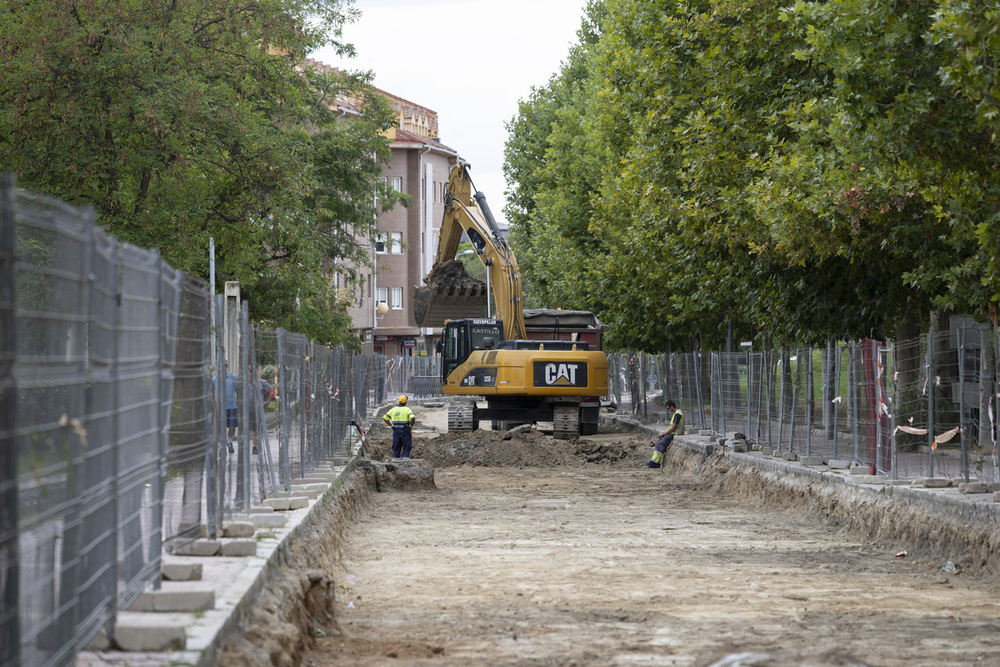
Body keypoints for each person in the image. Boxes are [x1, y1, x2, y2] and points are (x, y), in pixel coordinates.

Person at [645, 399, 684, 469]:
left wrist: (663, 434)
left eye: (668, 408)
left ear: (672, 406)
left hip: (674, 433)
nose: (668, 410)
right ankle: (655, 462)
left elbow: (673, 428)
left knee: (660, 444)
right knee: (659, 442)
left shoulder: (677, 414)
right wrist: (663, 433)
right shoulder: (677, 413)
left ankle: (654, 463)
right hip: (673, 433)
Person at [212, 360, 239, 454]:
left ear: (227, 367)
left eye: (224, 366)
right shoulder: (214, 380)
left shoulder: (233, 377)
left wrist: (238, 402)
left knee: (232, 426)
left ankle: (230, 442)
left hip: (232, 406)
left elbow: (237, 390)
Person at [248, 373, 276, 456]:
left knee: (255, 428)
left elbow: (272, 392)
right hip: (246, 408)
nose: (251, 373)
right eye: (250, 371)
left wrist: (268, 402)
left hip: (257, 409)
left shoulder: (261, 382)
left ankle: (255, 446)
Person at [383, 395, 416, 460]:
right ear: (405, 402)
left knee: (396, 446)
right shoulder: (407, 410)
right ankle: (405, 460)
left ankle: (395, 460)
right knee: (406, 446)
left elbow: (385, 418)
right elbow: (412, 417)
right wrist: (410, 426)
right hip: (405, 431)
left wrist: (391, 426)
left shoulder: (393, 410)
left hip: (396, 431)